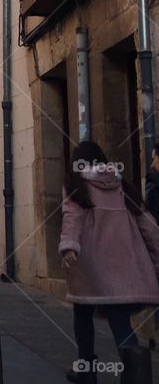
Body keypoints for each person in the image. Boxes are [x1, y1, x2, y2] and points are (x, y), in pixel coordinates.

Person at [60, 141, 159, 383]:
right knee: (120, 320)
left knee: (82, 316)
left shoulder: (76, 184)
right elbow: (148, 225)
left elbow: (72, 216)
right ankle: (135, 372)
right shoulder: (120, 184)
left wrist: (69, 246)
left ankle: (87, 371)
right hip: (123, 266)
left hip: (90, 267)